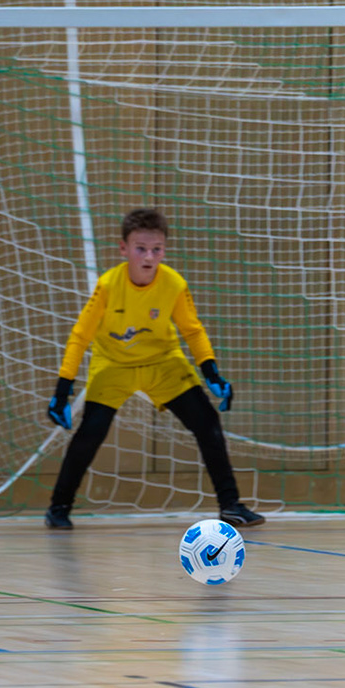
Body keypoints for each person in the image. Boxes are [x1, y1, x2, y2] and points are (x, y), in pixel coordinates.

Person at [45, 208, 264, 530]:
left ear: (165, 249)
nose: (149, 257)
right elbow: (80, 335)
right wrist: (62, 390)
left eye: (156, 249)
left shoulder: (174, 284)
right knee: (91, 431)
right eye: (140, 249)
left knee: (207, 422)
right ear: (123, 249)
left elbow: (192, 331)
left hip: (162, 363)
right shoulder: (108, 285)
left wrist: (211, 372)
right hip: (114, 364)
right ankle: (58, 507)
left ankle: (230, 505)